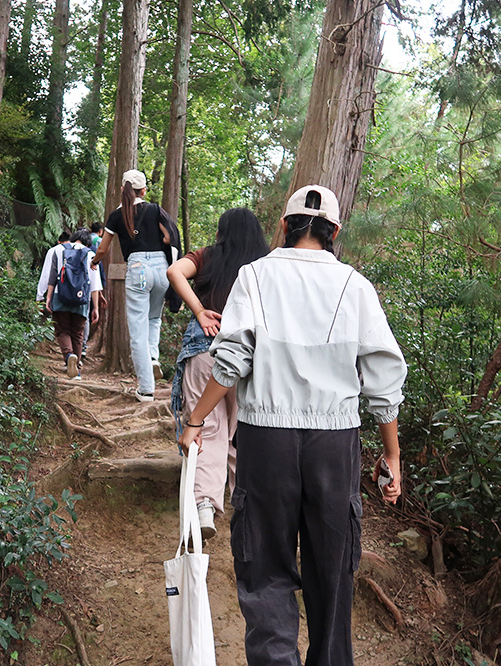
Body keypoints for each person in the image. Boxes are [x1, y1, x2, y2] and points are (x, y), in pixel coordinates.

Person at [178, 185, 407, 666]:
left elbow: (232, 360)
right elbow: (383, 380)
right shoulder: (355, 286)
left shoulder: (255, 277)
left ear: (283, 226)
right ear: (335, 233)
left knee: (265, 569)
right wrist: (392, 456)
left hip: (266, 442)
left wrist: (196, 420)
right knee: (332, 571)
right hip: (335, 444)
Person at [167, 208, 269, 541]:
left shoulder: (209, 256)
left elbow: (174, 272)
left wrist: (200, 311)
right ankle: (249, 507)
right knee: (244, 434)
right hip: (249, 360)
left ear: (221, 232)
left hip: (206, 351)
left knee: (206, 428)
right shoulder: (266, 265)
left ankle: (205, 505)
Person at [92, 169, 180, 402]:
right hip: (162, 271)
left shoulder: (116, 216)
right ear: (143, 190)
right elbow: (170, 238)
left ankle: (146, 389)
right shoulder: (154, 209)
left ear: (124, 189)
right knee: (154, 319)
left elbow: (103, 249)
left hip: (139, 270)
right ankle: (153, 358)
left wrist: (94, 262)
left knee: (138, 330)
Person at [45, 228, 103, 380]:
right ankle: (76, 370)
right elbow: (95, 285)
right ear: (88, 242)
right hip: (81, 299)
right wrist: (95, 308)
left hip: (60, 295)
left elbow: (52, 276)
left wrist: (48, 297)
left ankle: (69, 355)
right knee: (78, 334)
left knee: (62, 330)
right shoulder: (91, 254)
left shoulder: (59, 250)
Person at [37, 231, 71, 305]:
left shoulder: (53, 251)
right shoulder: (78, 249)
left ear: (59, 242)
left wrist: (40, 296)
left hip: (58, 292)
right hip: (76, 292)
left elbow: (46, 273)